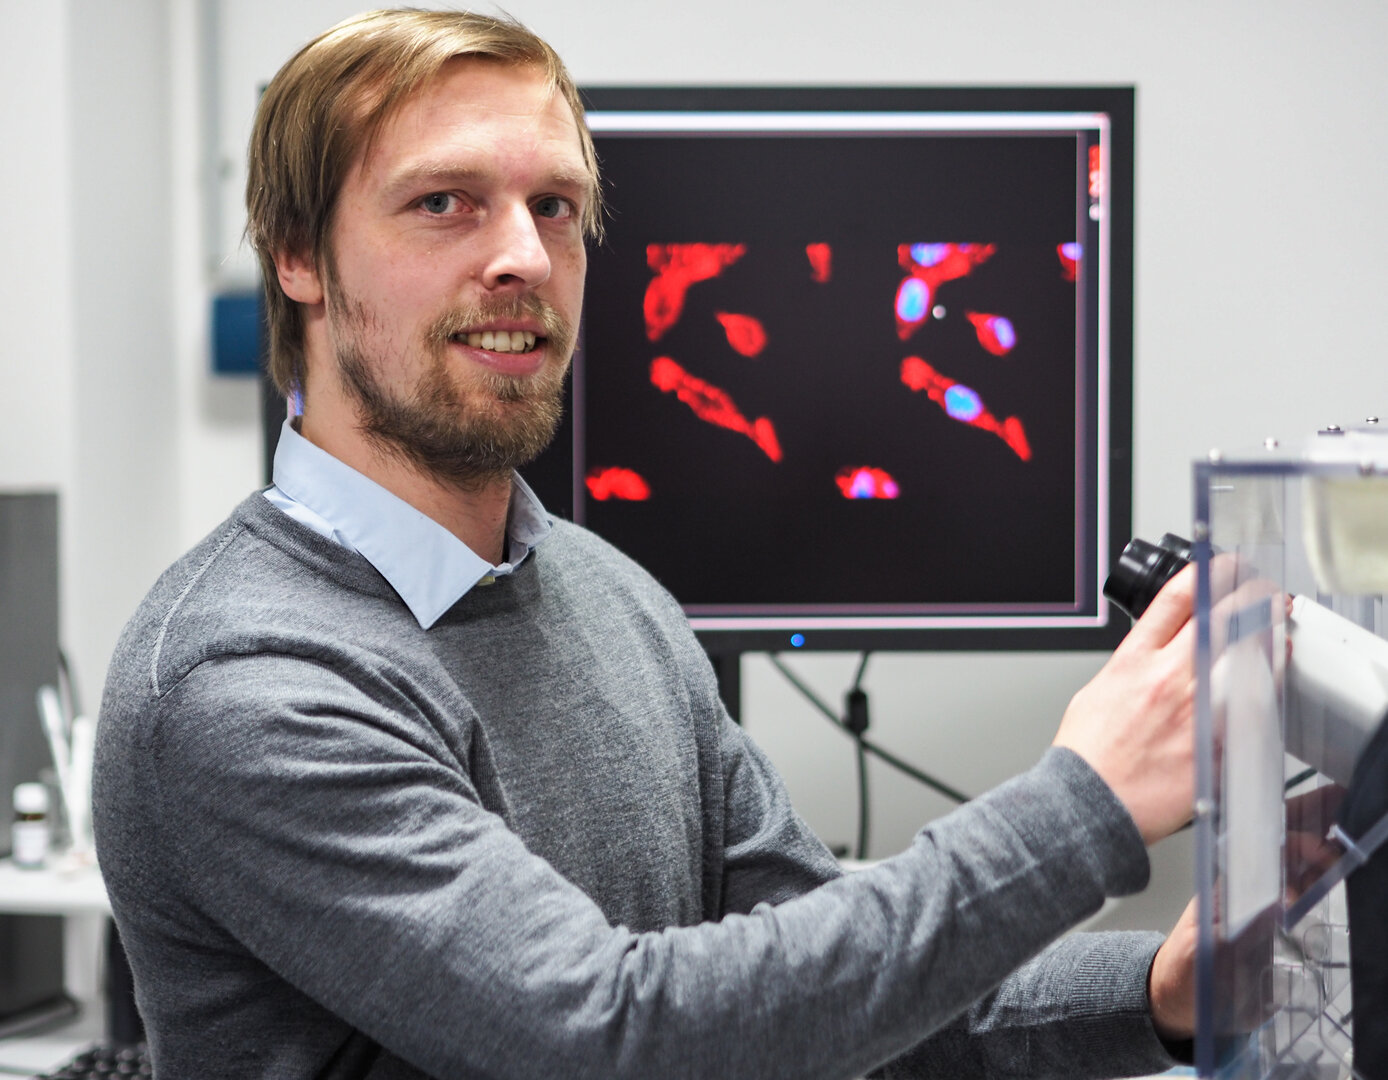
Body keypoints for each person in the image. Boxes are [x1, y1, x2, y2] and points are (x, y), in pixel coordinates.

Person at [94, 9, 1199, 1078]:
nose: (523, 254)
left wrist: (1158, 990)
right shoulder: (247, 683)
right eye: (445, 202)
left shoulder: (601, 591)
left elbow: (838, 1004)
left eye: (556, 207)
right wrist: (1080, 803)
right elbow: (608, 1038)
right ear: (297, 255)